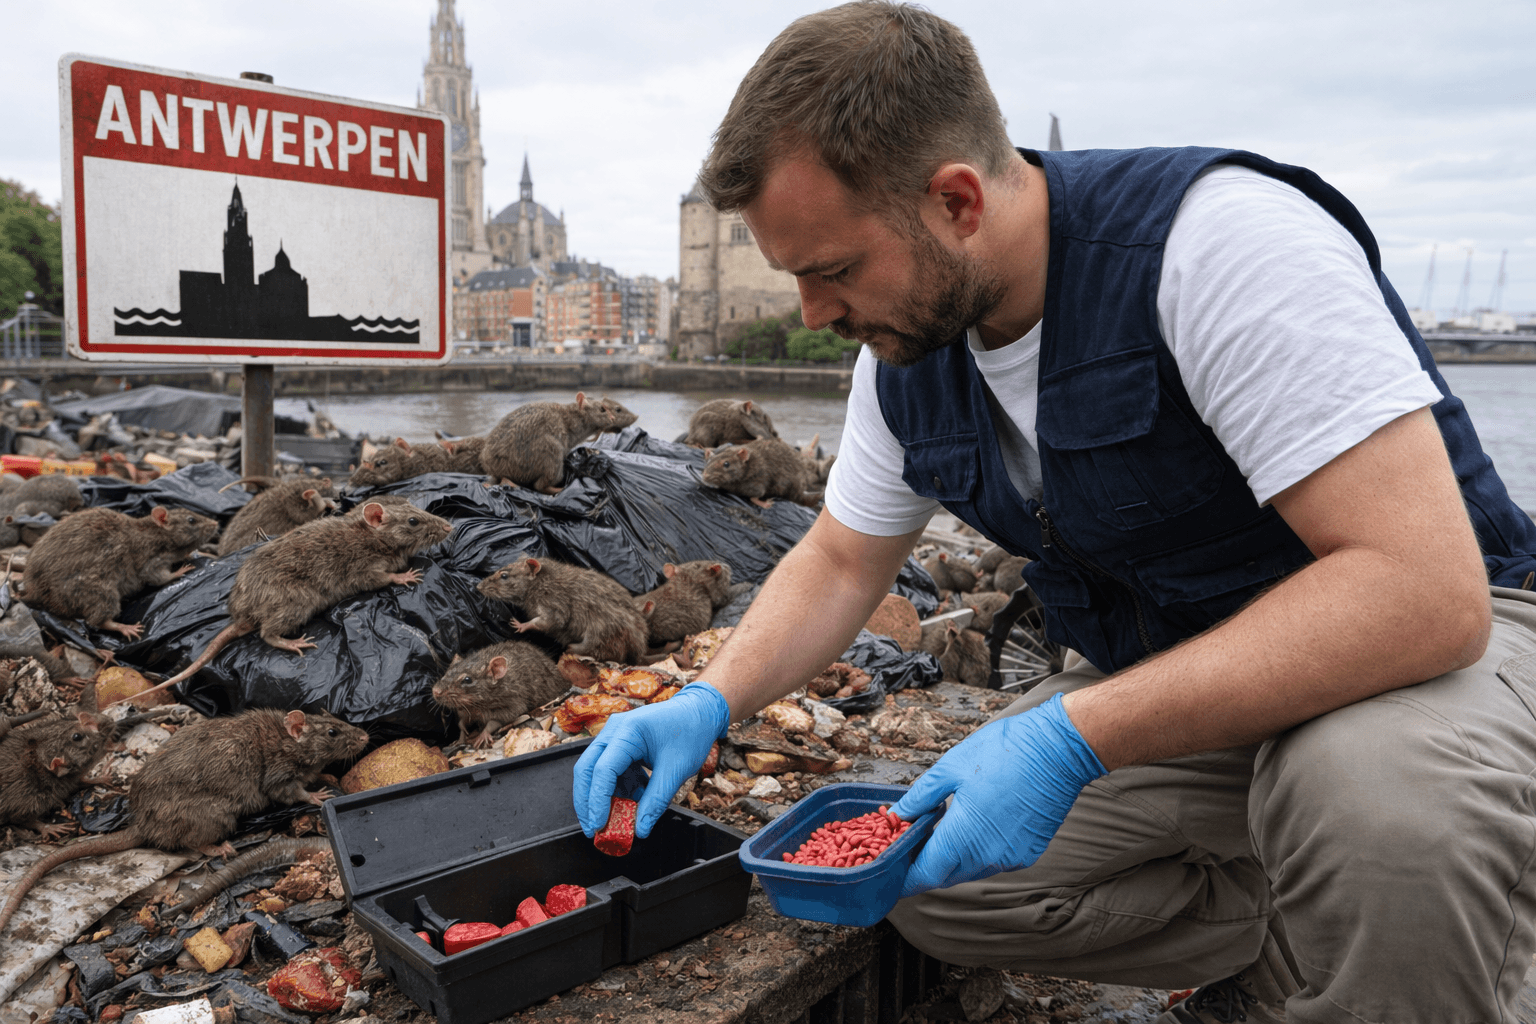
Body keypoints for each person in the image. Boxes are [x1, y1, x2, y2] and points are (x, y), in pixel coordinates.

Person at [573, 3, 1536, 1021]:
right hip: (1198, 670)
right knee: (936, 874)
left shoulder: (1220, 247)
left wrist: (1071, 737)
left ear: (955, 201)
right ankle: (1308, 937)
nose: (815, 314)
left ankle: (1434, 932)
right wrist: (710, 700)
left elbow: (1427, 592)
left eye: (835, 269)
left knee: (1374, 803)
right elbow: (845, 559)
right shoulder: (905, 353)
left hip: (1446, 651)